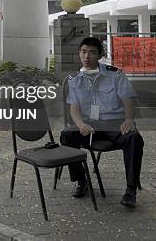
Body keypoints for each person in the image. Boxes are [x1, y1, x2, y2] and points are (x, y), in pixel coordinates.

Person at [60, 37, 144, 208]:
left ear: (100, 55)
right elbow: (74, 109)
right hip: (90, 124)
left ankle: (130, 190)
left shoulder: (115, 74)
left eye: (92, 52)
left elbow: (128, 99)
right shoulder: (75, 79)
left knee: (134, 139)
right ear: (79, 54)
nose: (87, 56)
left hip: (115, 123)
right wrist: (81, 125)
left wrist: (129, 119)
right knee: (67, 135)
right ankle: (82, 181)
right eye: (83, 52)